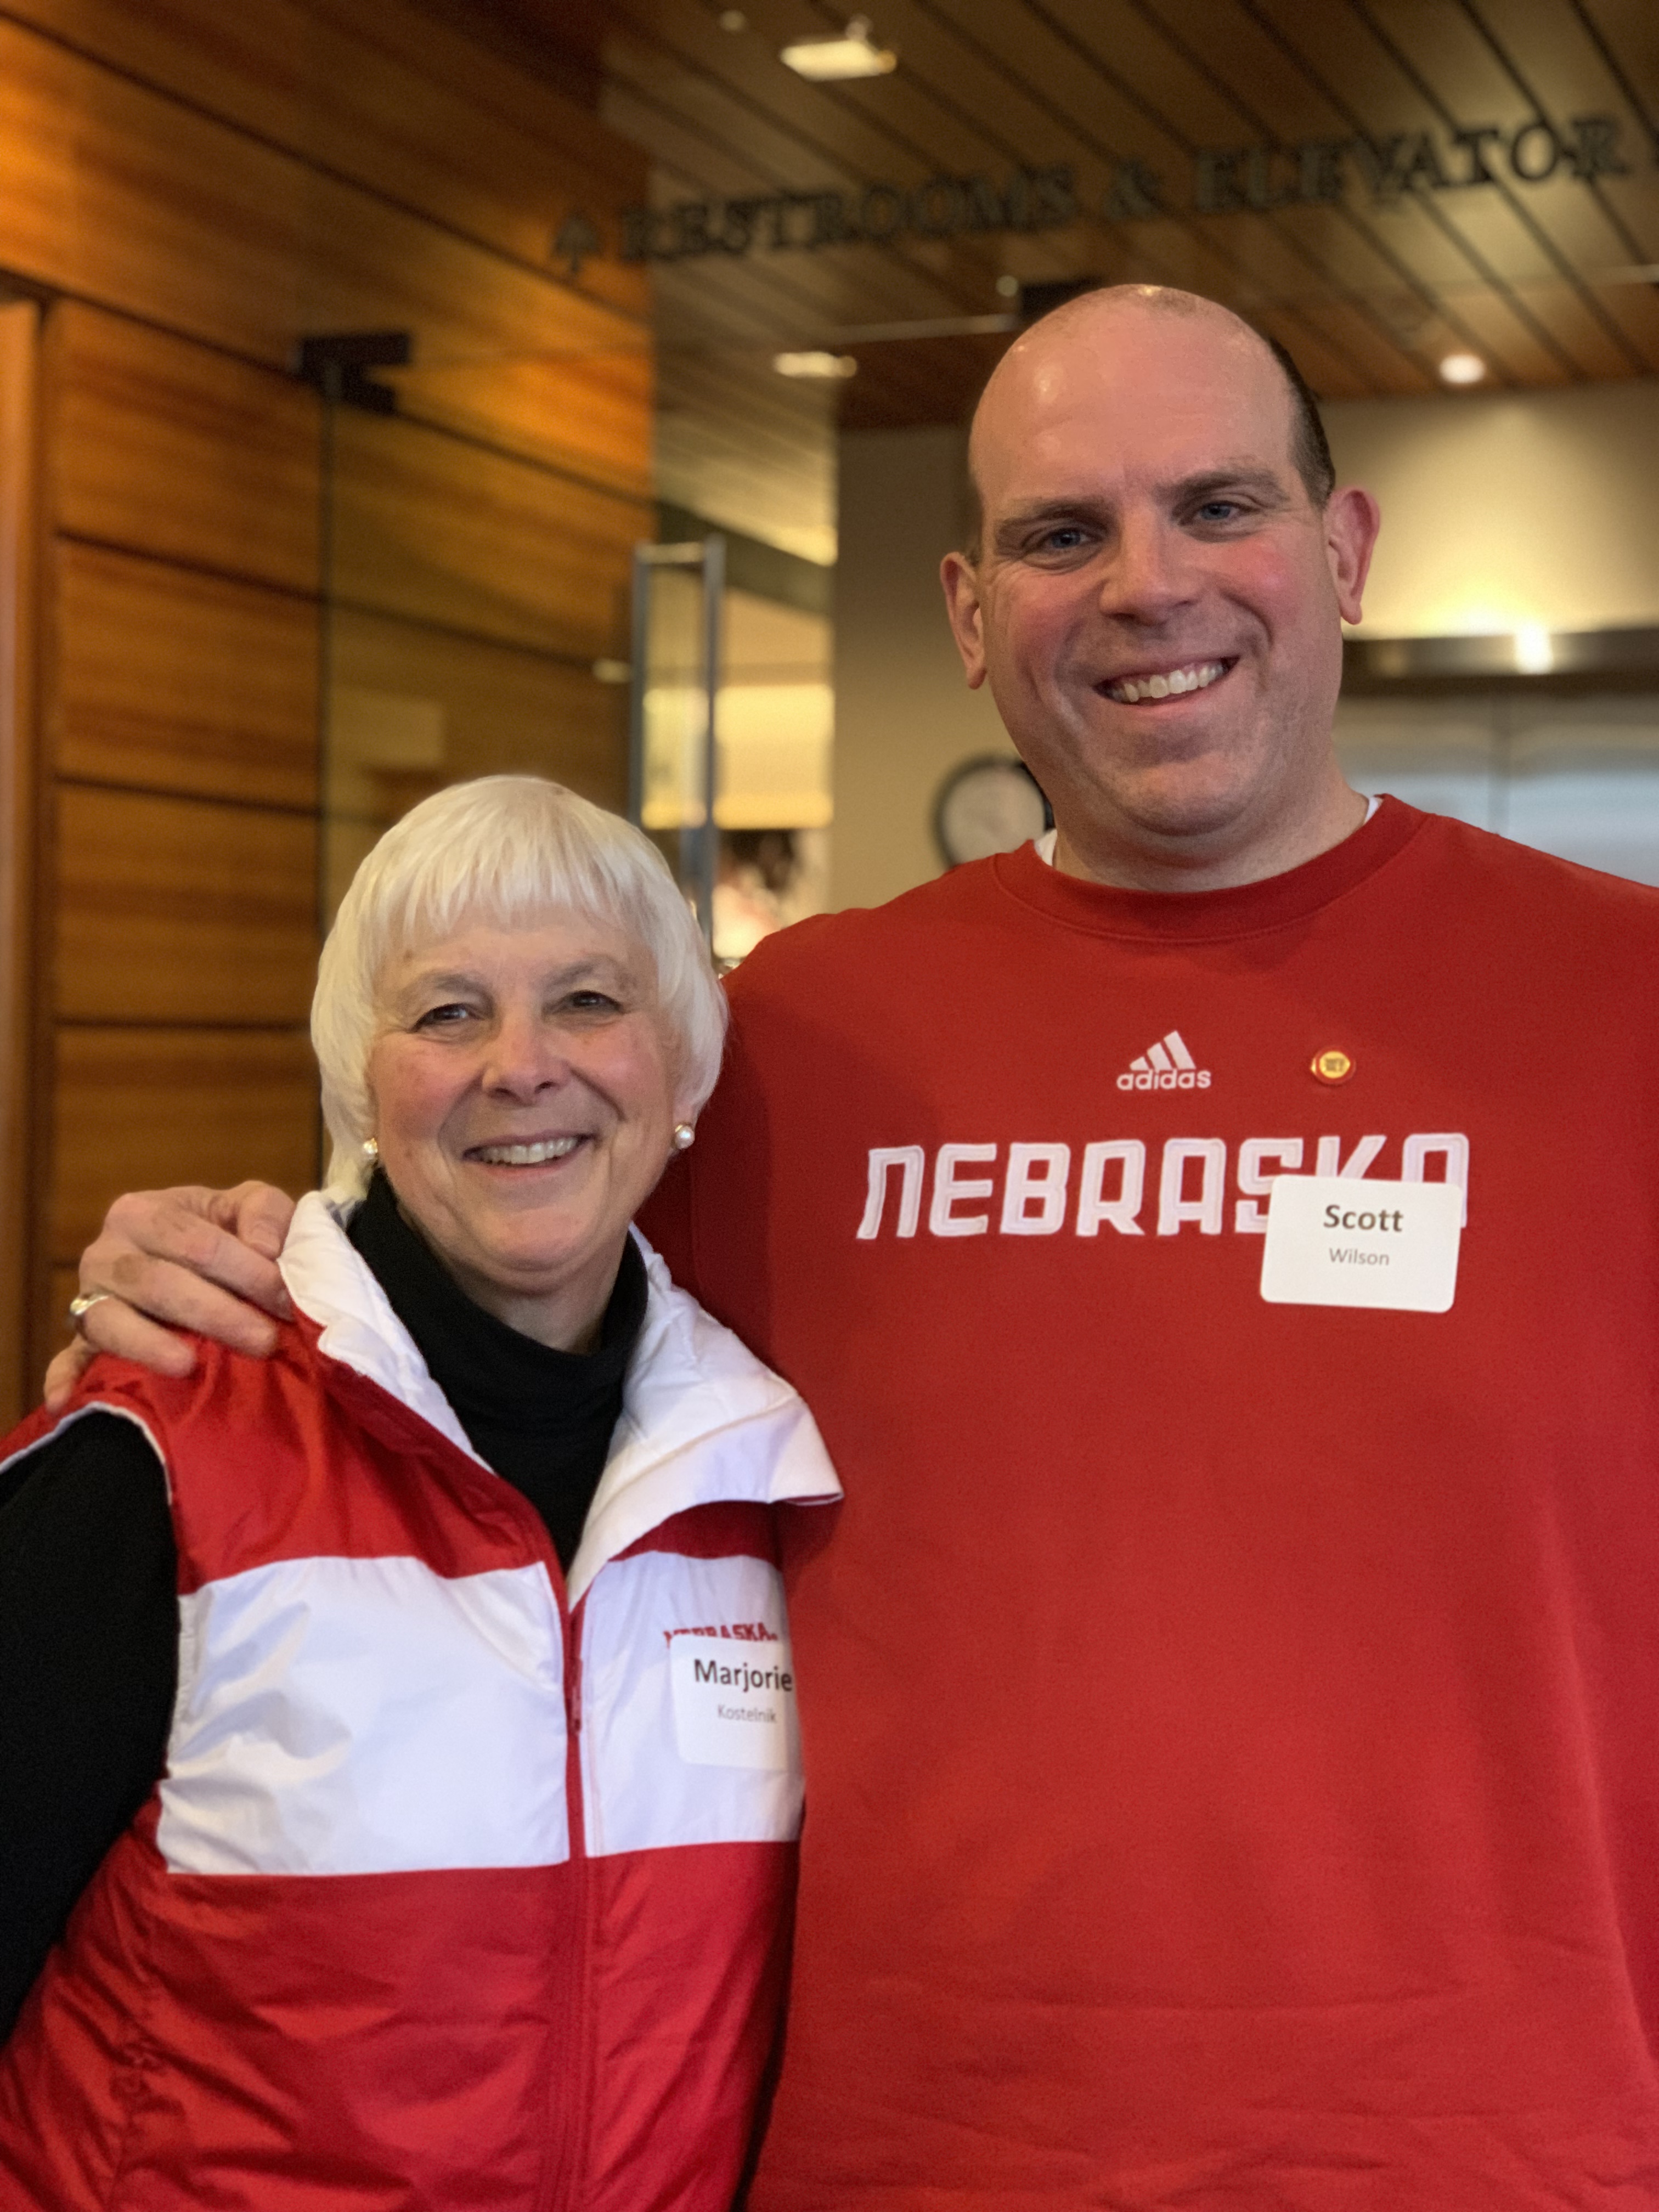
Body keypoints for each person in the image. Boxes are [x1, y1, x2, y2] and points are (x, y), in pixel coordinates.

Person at [52, 287, 1659, 2207]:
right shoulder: (789, 1043)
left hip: (1513, 2152)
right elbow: (482, 1268)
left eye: (1220, 505)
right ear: (972, 616)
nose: (1149, 585)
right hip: (906, 2159)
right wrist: (229, 1265)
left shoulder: (1621, 1005)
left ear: (1347, 549)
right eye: (1062, 533)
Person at [1, 776, 839, 2209]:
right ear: (362, 1087)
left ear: (685, 1069)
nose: (522, 1065)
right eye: (448, 1012)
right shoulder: (160, 1454)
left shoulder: (767, 1484)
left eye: (587, 1001)